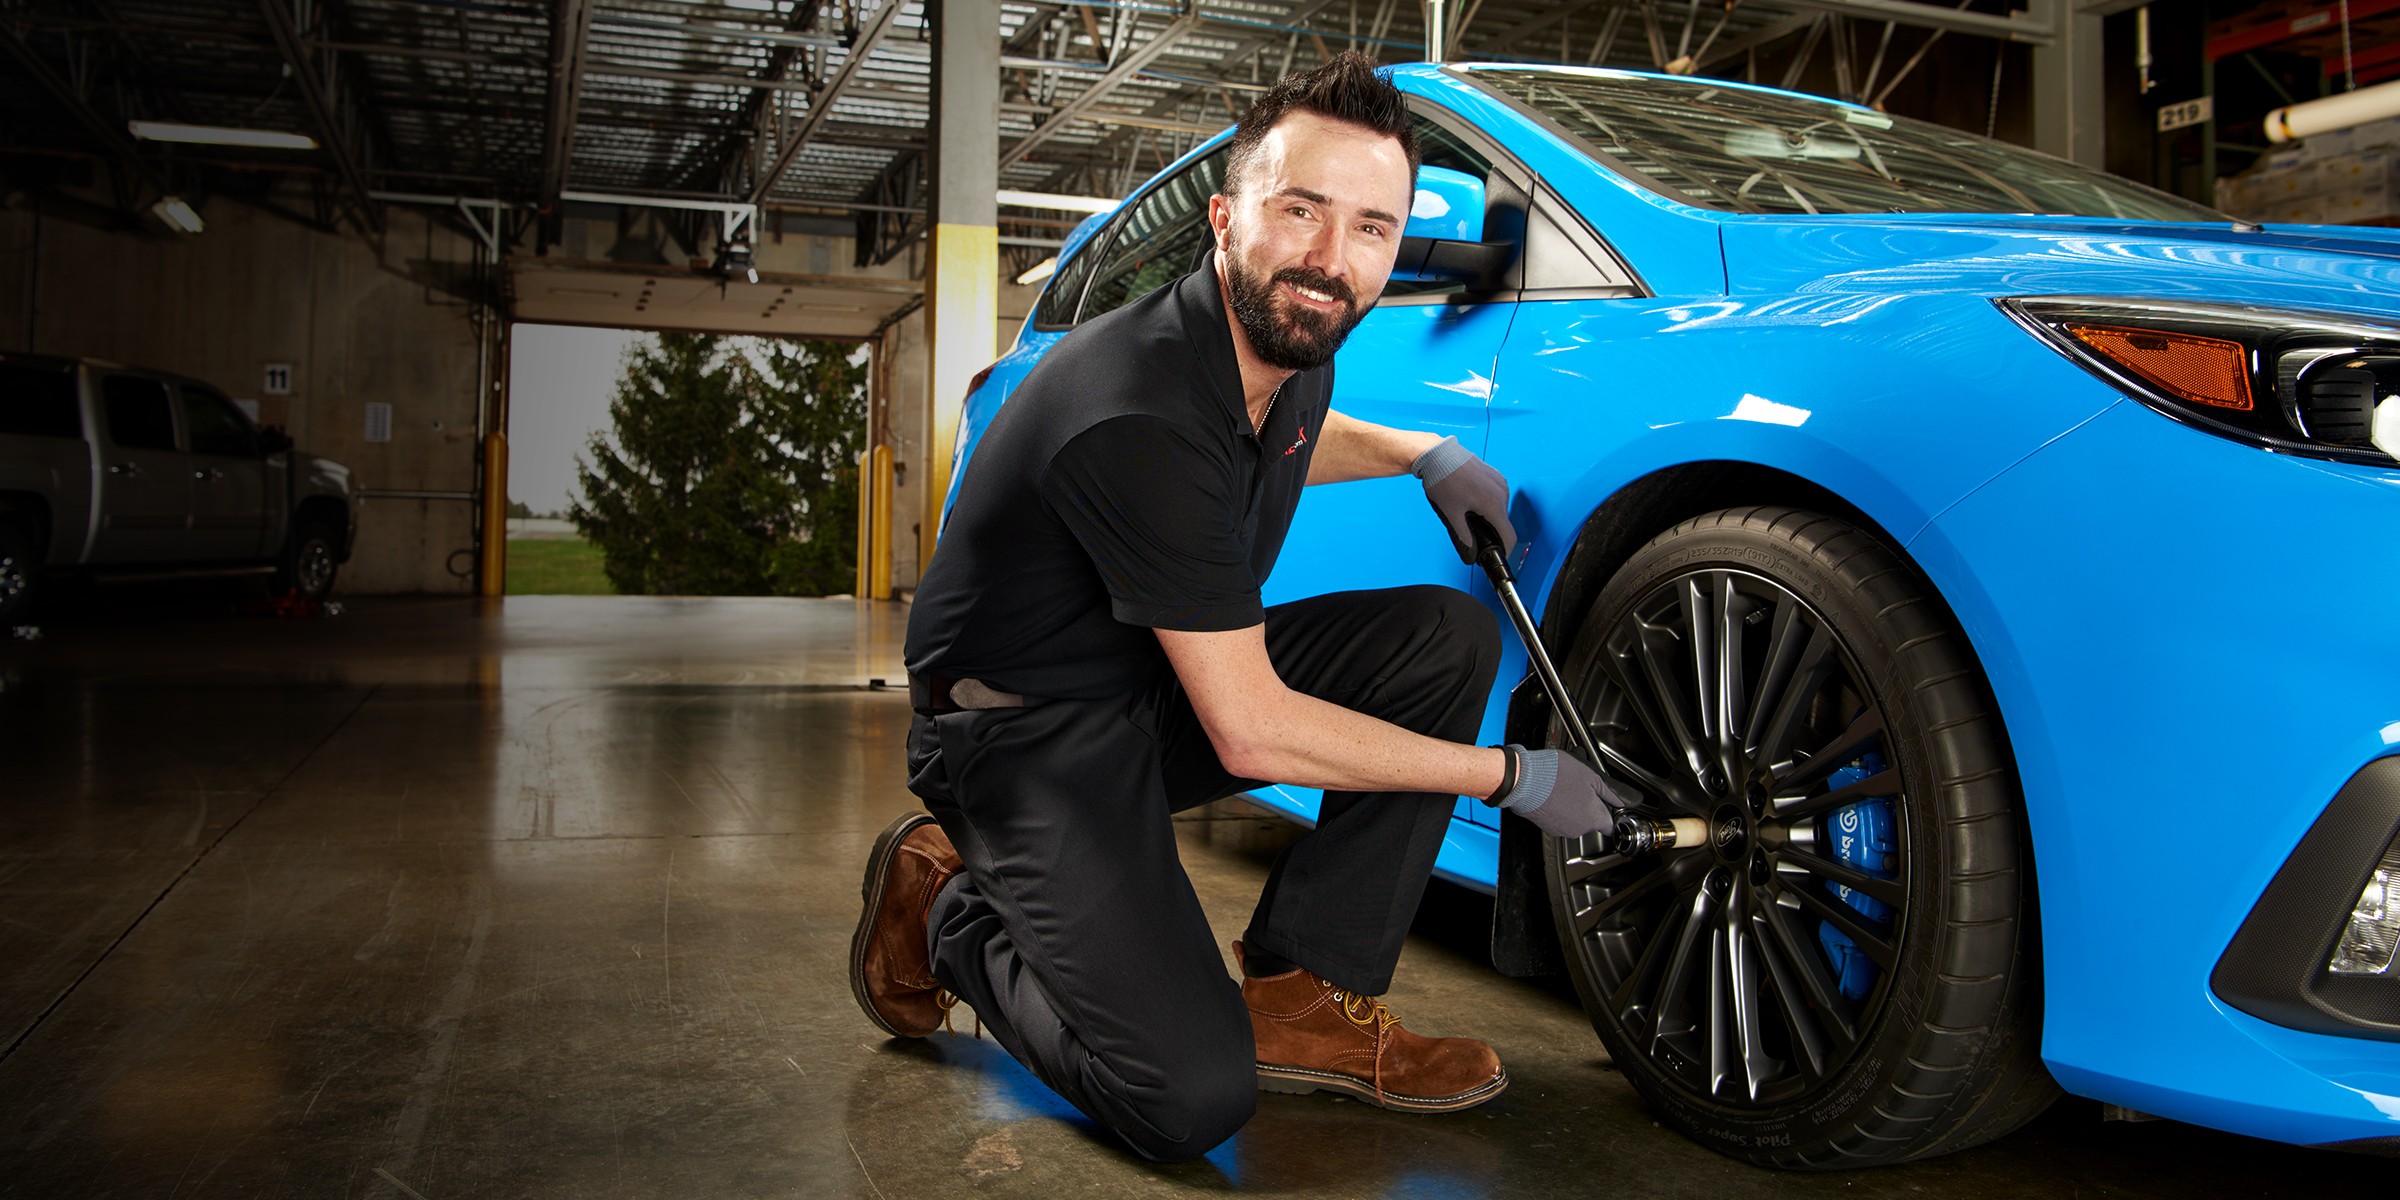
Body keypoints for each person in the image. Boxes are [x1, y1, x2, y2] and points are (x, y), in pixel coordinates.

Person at [848, 53, 1632, 1163]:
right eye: (1300, 209)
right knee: (1186, 1098)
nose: (1330, 257)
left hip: (1142, 694)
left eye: (1370, 227)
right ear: (1226, 218)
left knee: (1442, 638)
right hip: (1022, 741)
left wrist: (1424, 451)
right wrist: (1515, 777)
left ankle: (1310, 992)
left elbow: (1283, 442)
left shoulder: (1284, 342)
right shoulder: (1135, 409)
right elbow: (1249, 729)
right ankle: (946, 908)